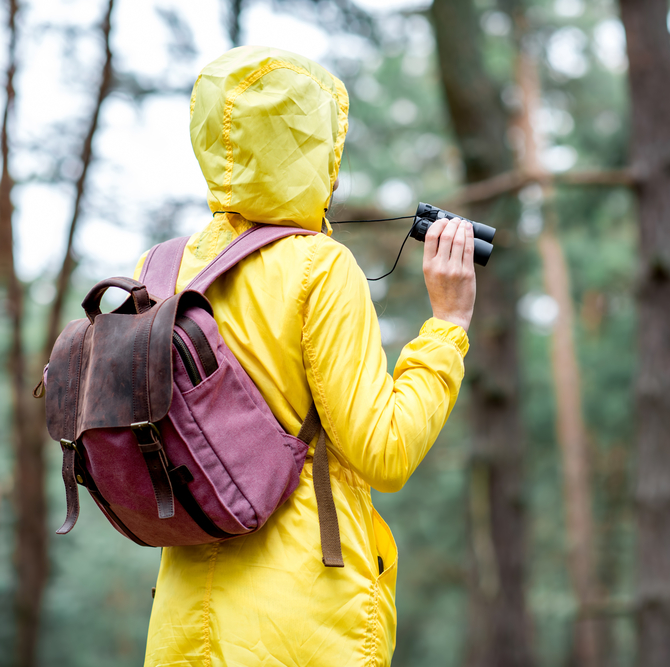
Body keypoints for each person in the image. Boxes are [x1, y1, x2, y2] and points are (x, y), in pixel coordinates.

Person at [137, 46, 475, 666]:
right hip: (303, 622)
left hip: (182, 623)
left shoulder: (161, 268)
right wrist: (447, 324)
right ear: (316, 148)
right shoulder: (319, 266)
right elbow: (385, 452)